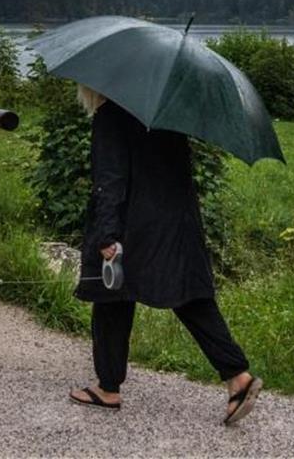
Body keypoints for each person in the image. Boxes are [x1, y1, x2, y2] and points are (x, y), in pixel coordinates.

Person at [68, 84, 263, 425]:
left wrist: (107, 234)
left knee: (110, 295)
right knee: (189, 297)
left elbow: (109, 181)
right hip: (176, 221)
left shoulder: (110, 115)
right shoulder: (168, 117)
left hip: (132, 225)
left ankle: (108, 387)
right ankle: (237, 376)